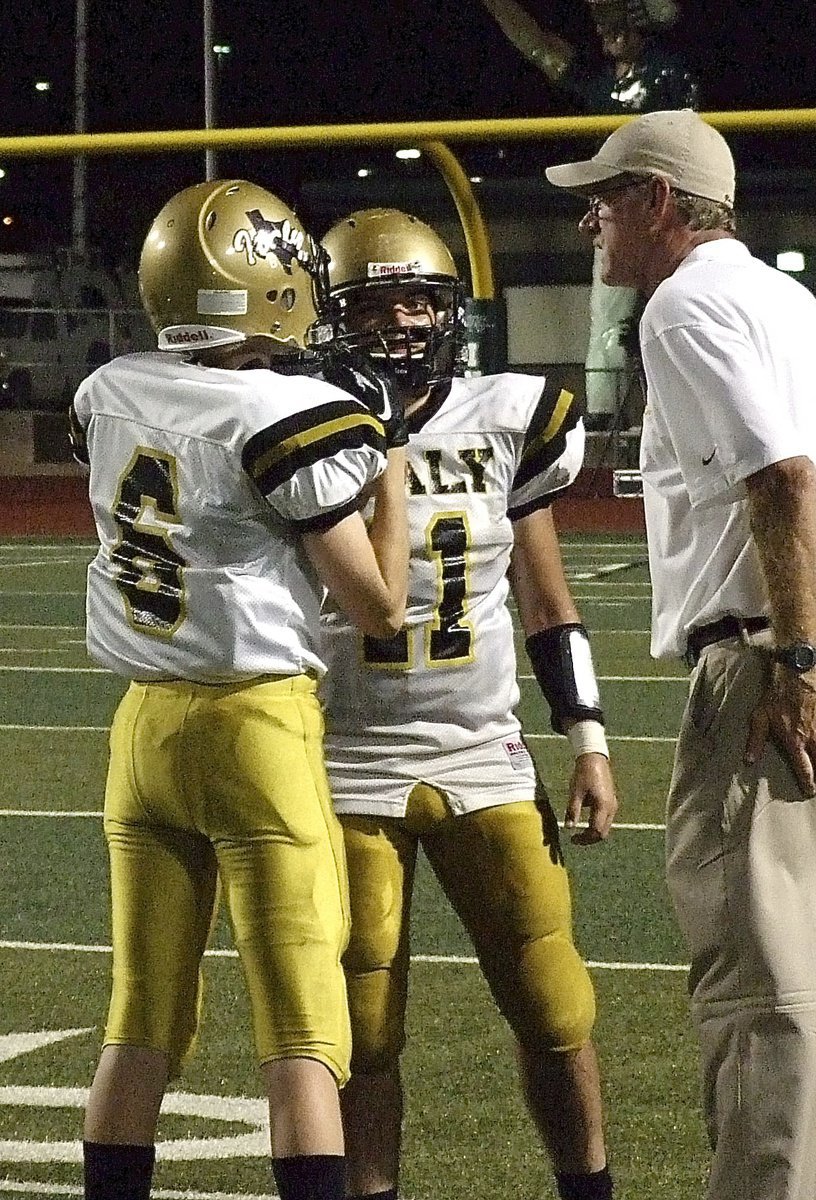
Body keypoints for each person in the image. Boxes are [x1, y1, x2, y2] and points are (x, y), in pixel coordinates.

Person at [70, 179, 409, 1200]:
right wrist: (385, 465)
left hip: (140, 732)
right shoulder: (289, 412)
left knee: (142, 1018)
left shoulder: (111, 388)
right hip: (255, 726)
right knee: (305, 1027)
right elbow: (380, 608)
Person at [318, 207, 619, 1200]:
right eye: (376, 302)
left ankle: (588, 1188)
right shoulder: (295, 420)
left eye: (419, 299)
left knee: (554, 1004)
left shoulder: (510, 415)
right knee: (361, 1029)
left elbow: (545, 595)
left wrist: (589, 738)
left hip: (482, 749)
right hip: (341, 759)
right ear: (331, 316)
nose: (403, 322)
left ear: (453, 310)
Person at [546, 108, 816, 1200]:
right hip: (789, 644)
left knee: (766, 994)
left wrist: (795, 664)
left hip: (765, 661)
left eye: (604, 202)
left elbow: (783, 480)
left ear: (658, 202)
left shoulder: (687, 306)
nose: (591, 228)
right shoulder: (785, 299)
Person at [479, 0, 699, 430]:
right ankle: (602, 418)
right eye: (602, 25)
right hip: (620, 207)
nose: (607, 34)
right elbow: (540, 48)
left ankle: (677, 413)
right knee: (609, 316)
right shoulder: (598, 80)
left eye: (617, 24)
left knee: (676, 308)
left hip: (667, 209)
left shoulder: (669, 72)